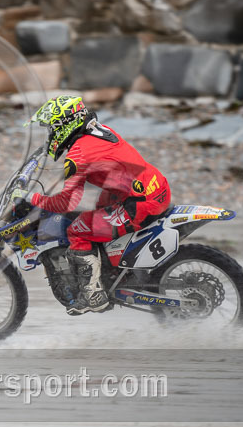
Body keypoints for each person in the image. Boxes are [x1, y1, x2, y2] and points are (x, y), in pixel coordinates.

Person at [17, 95, 170, 315]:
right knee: (96, 209)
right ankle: (113, 270)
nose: (49, 134)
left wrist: (31, 198)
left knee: (77, 230)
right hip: (154, 186)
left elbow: (66, 202)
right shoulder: (98, 130)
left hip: (141, 203)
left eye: (51, 128)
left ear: (64, 125)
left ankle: (94, 294)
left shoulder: (79, 154)